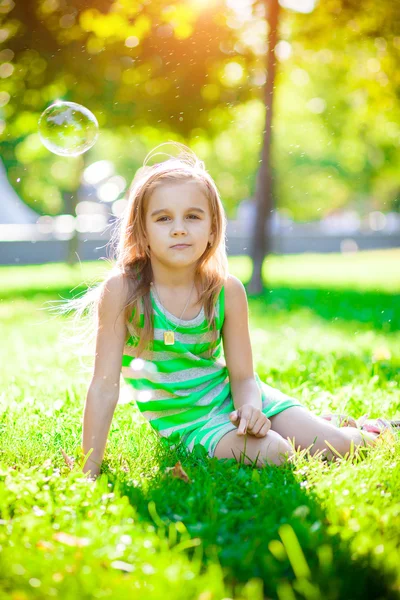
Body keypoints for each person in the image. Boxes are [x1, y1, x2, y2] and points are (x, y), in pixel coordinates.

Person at [67, 142, 397, 480]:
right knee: (276, 451)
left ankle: (371, 431)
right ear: (143, 232)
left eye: (193, 217)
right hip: (191, 423)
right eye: (163, 218)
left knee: (336, 446)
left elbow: (242, 376)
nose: (179, 228)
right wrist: (89, 469)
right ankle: (318, 425)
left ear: (212, 229)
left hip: (239, 400)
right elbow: (104, 386)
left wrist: (250, 408)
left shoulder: (226, 290)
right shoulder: (123, 291)